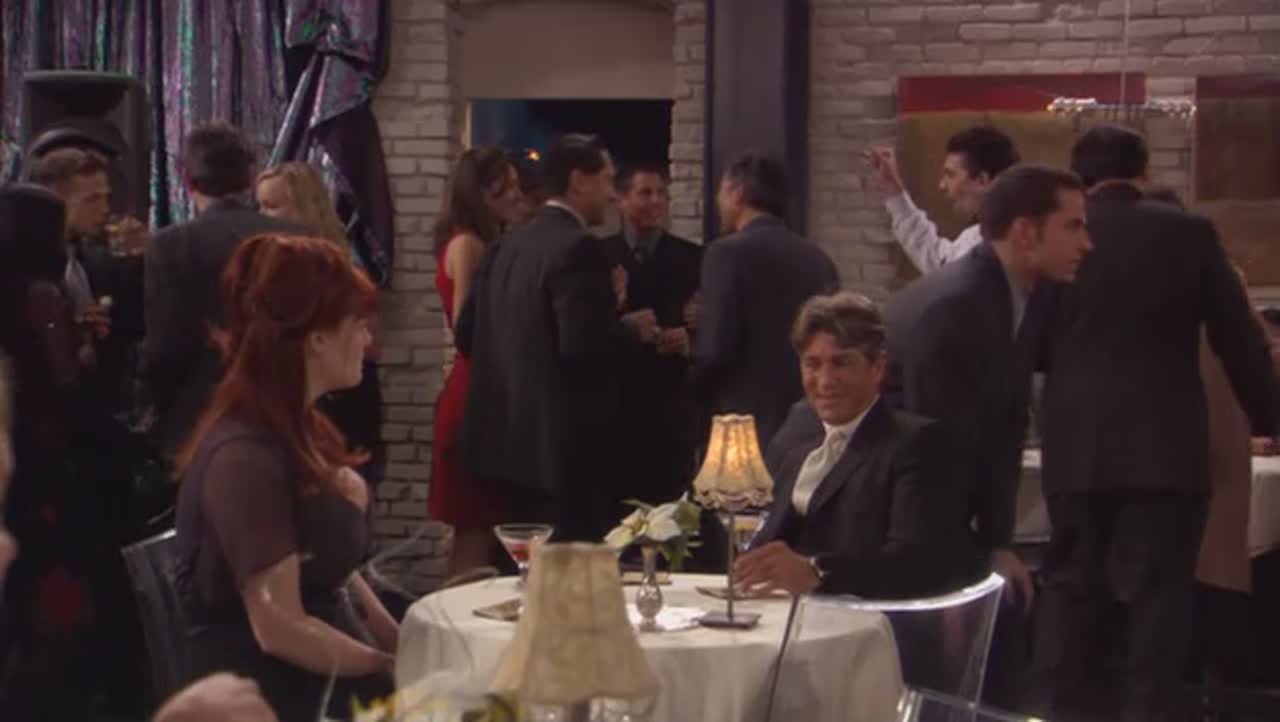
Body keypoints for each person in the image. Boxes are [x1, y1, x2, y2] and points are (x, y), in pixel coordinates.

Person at [1029, 125, 1279, 722]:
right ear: (1143, 173)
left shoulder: (1061, 236)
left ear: (1079, 176)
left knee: (1070, 592)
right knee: (1158, 604)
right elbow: (1239, 341)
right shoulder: (1189, 233)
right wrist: (1271, 416)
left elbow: (1029, 340)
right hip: (1165, 450)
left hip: (1074, 448)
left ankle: (1058, 712)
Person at [174, 233, 396, 722]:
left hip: (319, 671)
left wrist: (398, 641)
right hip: (266, 695)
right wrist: (390, 667)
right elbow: (279, 628)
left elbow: (334, 571)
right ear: (317, 338)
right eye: (358, 325)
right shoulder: (244, 456)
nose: (367, 340)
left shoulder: (299, 425)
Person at [459, 133, 652, 542]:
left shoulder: (505, 245)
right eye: (607, 179)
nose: (612, 194)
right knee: (571, 569)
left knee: (523, 568)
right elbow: (583, 347)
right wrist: (632, 330)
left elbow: (466, 335)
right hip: (565, 453)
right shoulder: (579, 247)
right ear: (578, 180)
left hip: (506, 448)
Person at [737, 292, 958, 598]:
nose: (825, 381)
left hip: (867, 620)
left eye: (840, 363)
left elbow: (915, 565)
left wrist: (816, 572)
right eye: (812, 364)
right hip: (774, 614)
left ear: (877, 367)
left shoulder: (918, 444)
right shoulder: (796, 434)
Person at [0, 183, 110, 720]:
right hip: (45, 459)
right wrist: (88, 344)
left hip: (12, 453)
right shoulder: (42, 294)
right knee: (55, 596)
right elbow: (68, 383)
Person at [141, 122, 304, 457]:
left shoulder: (170, 245)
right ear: (249, 177)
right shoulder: (301, 239)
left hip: (199, 420)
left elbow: (165, 347)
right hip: (287, 415)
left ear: (186, 179)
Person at [692, 151, 840, 452]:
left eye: (722, 191)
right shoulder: (819, 260)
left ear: (737, 193)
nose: (718, 201)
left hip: (741, 425)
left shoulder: (726, 254)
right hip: (809, 422)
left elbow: (716, 348)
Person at [255, 162, 386, 488]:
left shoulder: (345, 266)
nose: (261, 216)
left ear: (304, 207)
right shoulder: (263, 265)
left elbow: (374, 345)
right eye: (259, 206)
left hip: (340, 400)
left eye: (272, 206)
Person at [429, 147, 521, 575]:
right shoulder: (468, 244)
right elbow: (469, 329)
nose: (517, 195)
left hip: (479, 391)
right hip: (473, 396)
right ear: (482, 192)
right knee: (472, 539)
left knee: (481, 534)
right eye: (508, 186)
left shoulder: (479, 242)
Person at [602, 163, 703, 504]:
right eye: (645, 193)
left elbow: (711, 325)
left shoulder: (694, 258)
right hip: (615, 408)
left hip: (671, 408)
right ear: (622, 199)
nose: (656, 201)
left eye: (661, 193)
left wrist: (689, 340)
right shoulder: (598, 256)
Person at [866, 126, 1020, 273]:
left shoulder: (994, 244)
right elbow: (940, 261)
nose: (942, 185)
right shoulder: (982, 238)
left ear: (982, 180)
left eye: (950, 175)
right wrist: (894, 190)